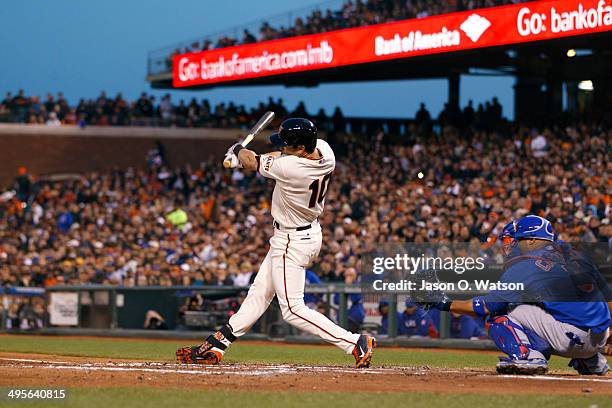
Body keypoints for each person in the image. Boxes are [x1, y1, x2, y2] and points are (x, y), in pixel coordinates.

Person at [176, 118, 376, 368]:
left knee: (292, 309)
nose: (283, 147)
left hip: (292, 240)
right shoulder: (324, 150)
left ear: (301, 148)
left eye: (289, 145)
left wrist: (239, 151)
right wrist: (244, 155)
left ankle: (354, 342)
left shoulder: (291, 169)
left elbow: (257, 161)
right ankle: (217, 344)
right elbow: (277, 155)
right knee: (259, 294)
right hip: (306, 233)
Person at [420, 215, 611, 375]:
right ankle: (591, 362)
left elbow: (486, 306)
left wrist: (442, 302)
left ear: (532, 240)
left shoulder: (528, 261)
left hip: (571, 339)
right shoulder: (576, 253)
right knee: (539, 304)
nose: (511, 245)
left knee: (500, 312)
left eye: (517, 240)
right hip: (600, 337)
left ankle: (529, 357)